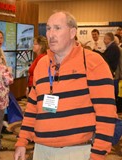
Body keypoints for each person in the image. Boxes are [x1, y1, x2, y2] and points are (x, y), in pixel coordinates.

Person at [14, 10, 117, 160]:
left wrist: (98, 154)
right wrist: (22, 141)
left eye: (57, 28)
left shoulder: (93, 62)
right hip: (41, 150)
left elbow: (106, 113)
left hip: (77, 151)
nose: (51, 34)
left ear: (72, 32)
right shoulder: (42, 64)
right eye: (48, 28)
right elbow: (32, 108)